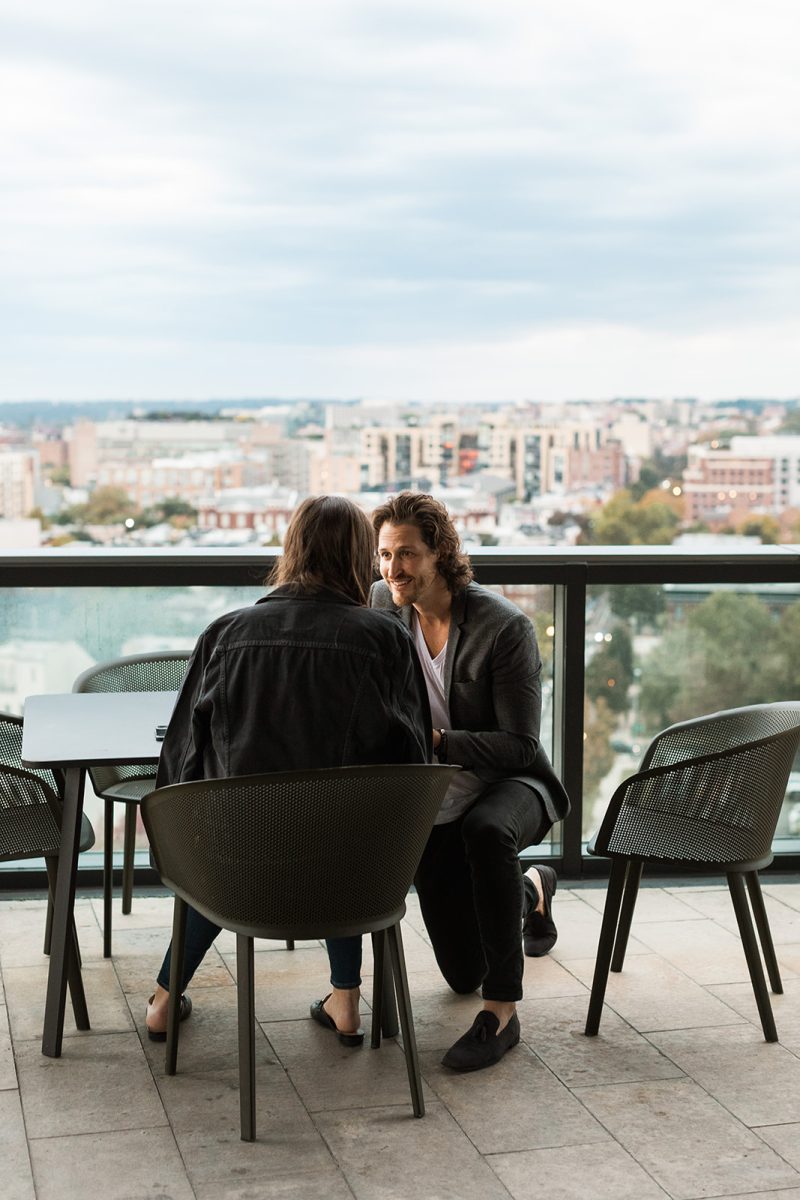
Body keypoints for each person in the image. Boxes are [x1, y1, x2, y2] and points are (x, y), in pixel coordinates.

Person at [145, 495, 431, 1043]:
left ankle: (163, 1000)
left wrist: (180, 848)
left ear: (292, 550)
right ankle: (346, 1001)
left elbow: (179, 759)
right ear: (358, 557)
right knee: (340, 828)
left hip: (237, 875)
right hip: (350, 877)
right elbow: (414, 760)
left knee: (225, 839)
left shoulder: (225, 635)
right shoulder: (385, 639)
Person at [370, 492, 569, 1072]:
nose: (393, 569)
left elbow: (520, 745)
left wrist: (435, 743)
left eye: (407, 554)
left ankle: (502, 1013)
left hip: (511, 782)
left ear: (440, 553)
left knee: (486, 833)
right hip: (437, 794)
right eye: (385, 555)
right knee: (461, 972)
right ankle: (531, 890)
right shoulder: (385, 605)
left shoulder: (504, 628)